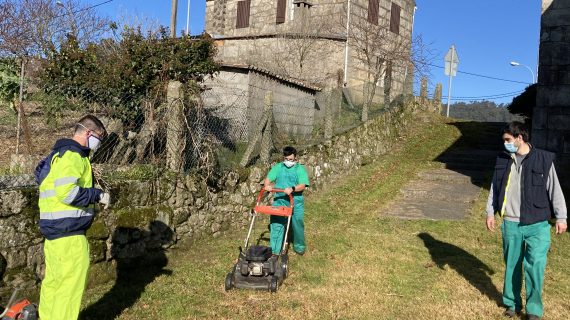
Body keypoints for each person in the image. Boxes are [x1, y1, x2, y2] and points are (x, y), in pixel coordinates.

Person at [485, 121, 567, 320]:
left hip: (538, 224)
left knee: (535, 266)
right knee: (512, 265)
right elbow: (494, 188)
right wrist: (489, 212)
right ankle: (512, 304)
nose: (505, 143)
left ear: (519, 138)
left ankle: (534, 310)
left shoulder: (543, 159)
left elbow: (555, 189)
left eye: (508, 140)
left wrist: (561, 216)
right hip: (511, 224)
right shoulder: (503, 159)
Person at [37, 114, 111, 320]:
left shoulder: (57, 155)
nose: (99, 142)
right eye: (99, 137)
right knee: (69, 288)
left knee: (53, 283)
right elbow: (67, 193)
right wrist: (98, 195)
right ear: (88, 133)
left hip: (54, 234)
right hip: (70, 234)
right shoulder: (74, 156)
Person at [263, 146, 310, 256]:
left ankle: (299, 247)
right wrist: (267, 186)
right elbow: (269, 178)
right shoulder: (278, 167)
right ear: (283, 158)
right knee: (276, 223)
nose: (289, 162)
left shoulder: (299, 169)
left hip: (295, 201)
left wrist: (292, 188)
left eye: (291, 160)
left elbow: (302, 185)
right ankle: (275, 251)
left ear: (295, 159)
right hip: (280, 199)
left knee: (297, 223)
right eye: (286, 159)